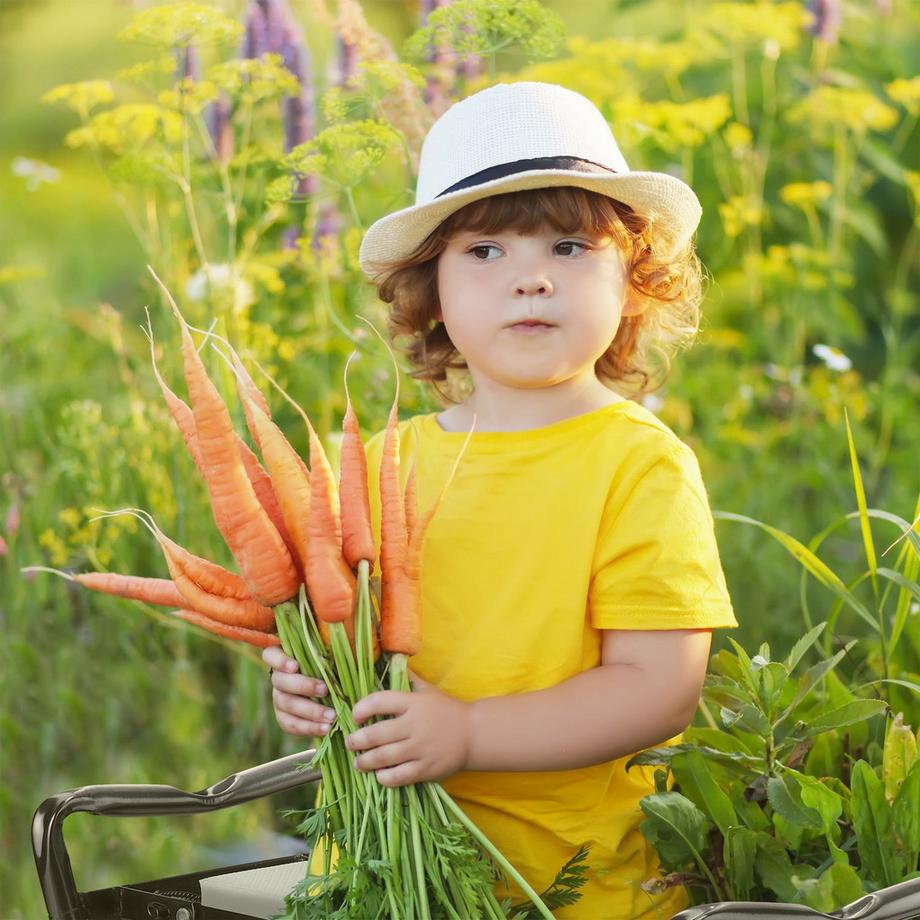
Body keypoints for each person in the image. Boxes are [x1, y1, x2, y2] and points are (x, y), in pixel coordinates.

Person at [263, 81, 739, 919]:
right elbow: (352, 645)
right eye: (485, 252)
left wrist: (469, 733)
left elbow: (657, 688)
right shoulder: (381, 461)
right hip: (378, 874)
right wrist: (310, 684)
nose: (530, 281)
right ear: (432, 294)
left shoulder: (638, 465)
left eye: (567, 248)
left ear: (634, 282)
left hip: (565, 886)